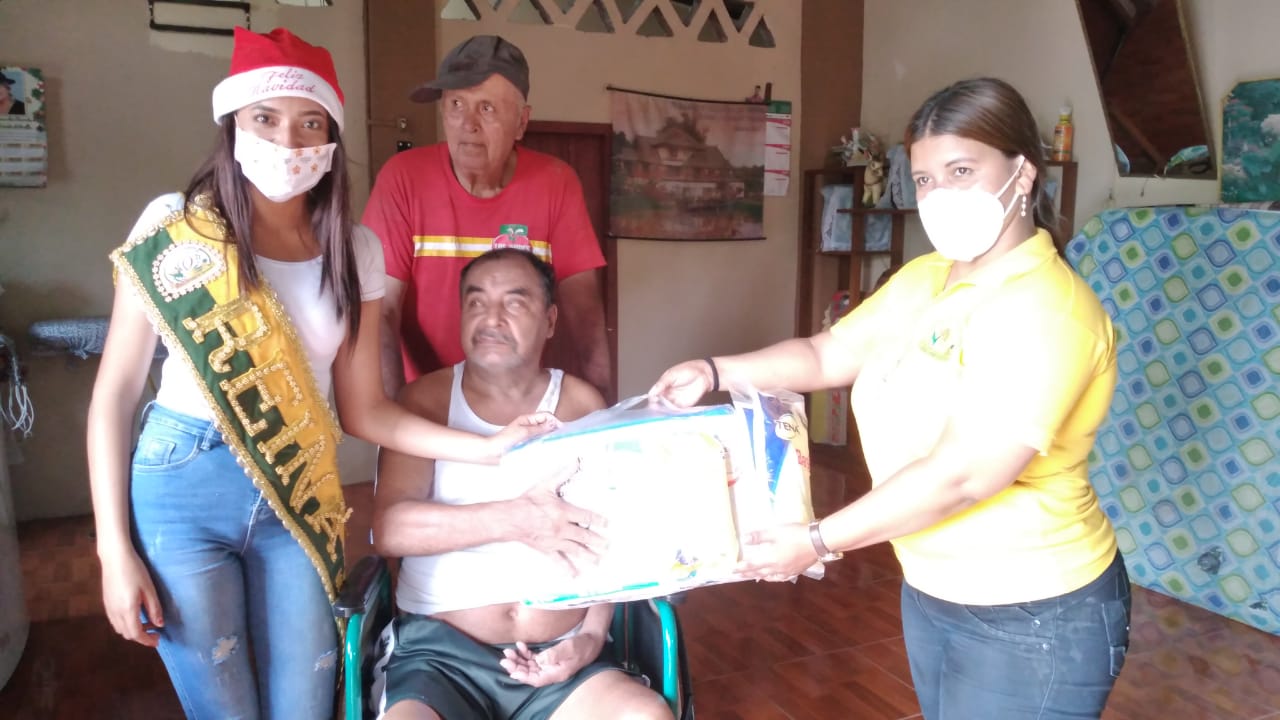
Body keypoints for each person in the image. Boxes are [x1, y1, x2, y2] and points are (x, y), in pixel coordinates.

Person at [86, 28, 552, 719]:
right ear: (233, 125)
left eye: (310, 124)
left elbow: (366, 411)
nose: (288, 142)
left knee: (308, 704)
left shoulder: (353, 249)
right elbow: (116, 394)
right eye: (265, 119)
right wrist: (112, 550)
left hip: (297, 492)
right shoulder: (176, 225)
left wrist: (487, 446)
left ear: (331, 138)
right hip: (182, 487)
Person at [651, 77, 1129, 719]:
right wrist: (712, 370)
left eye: (962, 170)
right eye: (925, 179)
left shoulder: (1047, 308)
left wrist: (817, 540)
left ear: (1023, 174)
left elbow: (963, 476)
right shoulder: (925, 278)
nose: (940, 195)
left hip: (1033, 608)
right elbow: (826, 354)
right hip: (933, 585)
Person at [373, 248, 671, 720]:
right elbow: (391, 531)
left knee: (645, 716)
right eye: (476, 302)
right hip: (439, 658)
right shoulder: (424, 402)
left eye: (514, 302)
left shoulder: (581, 404)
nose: (491, 318)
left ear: (550, 320)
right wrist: (516, 520)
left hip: (563, 657)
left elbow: (611, 536)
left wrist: (590, 638)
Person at [362, 34, 610, 401]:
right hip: (424, 401)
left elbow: (585, 314)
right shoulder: (404, 178)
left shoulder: (556, 182)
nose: (469, 123)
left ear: (521, 123)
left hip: (518, 402)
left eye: (487, 108)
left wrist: (604, 413)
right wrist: (396, 417)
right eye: (456, 104)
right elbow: (380, 312)